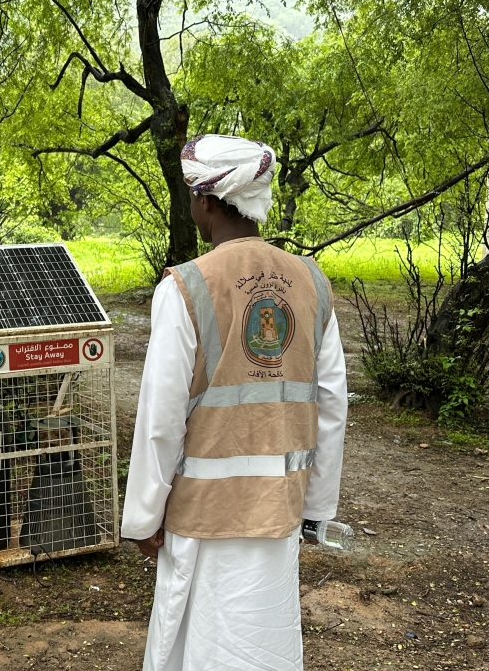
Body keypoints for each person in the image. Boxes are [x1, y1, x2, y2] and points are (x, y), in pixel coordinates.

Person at [121, 134, 348, 671]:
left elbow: (161, 417)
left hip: (202, 517)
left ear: (204, 201)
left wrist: (145, 516)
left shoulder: (186, 286)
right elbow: (332, 402)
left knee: (197, 646)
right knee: (263, 644)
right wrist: (315, 510)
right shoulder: (313, 282)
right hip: (279, 511)